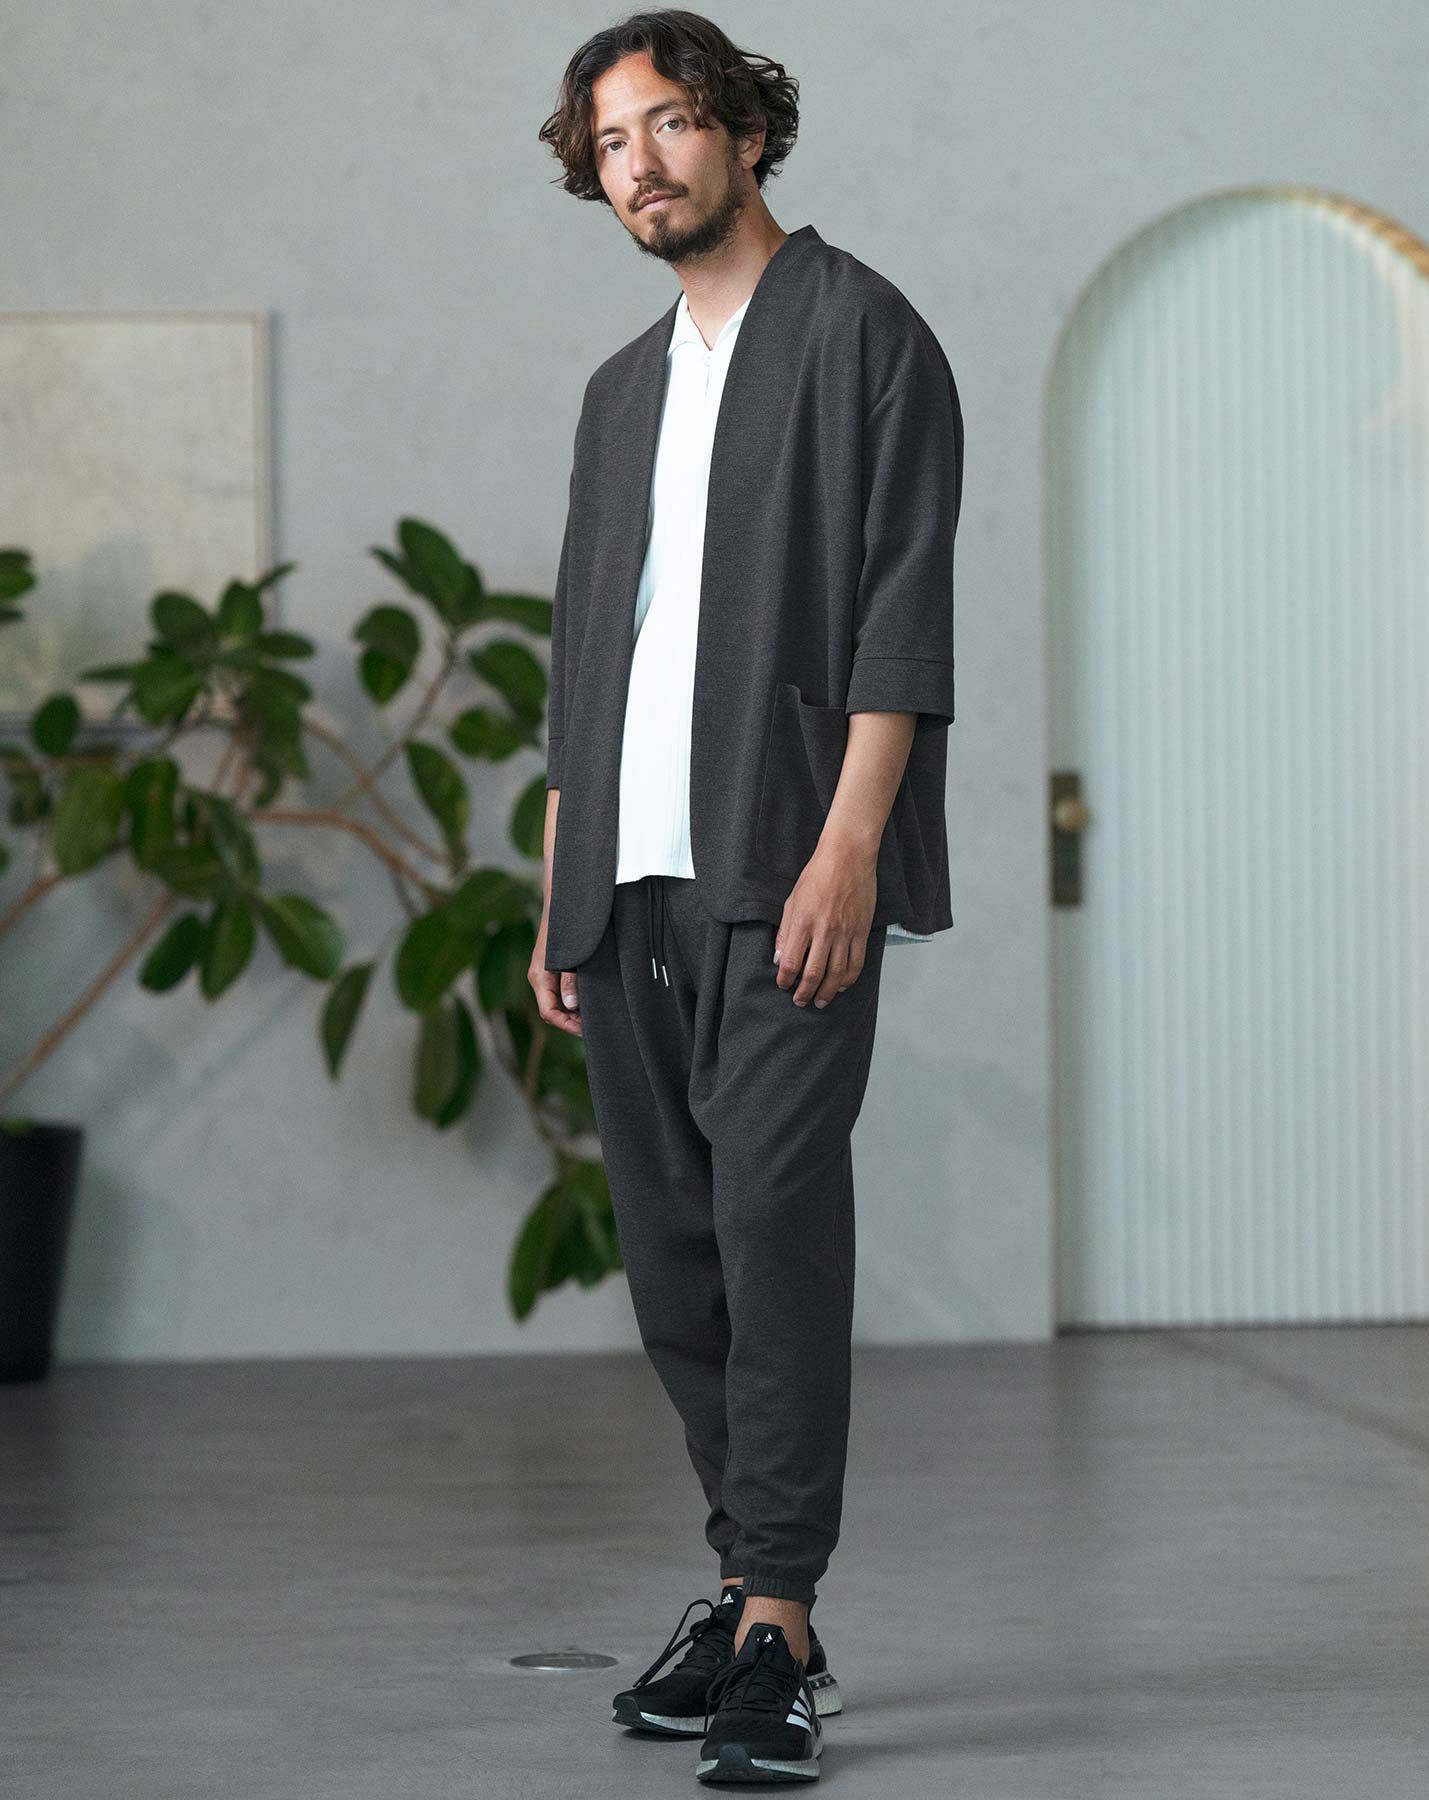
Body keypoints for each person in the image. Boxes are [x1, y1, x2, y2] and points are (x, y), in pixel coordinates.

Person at [533, 9, 963, 1784]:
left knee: (774, 1229)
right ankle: (747, 1587)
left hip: (783, 863)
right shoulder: (619, 390)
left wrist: (851, 846)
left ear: (745, 132)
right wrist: (560, 876)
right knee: (674, 1259)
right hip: (623, 885)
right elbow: (588, 650)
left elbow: (901, 615)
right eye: (609, 142)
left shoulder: (864, 334)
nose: (639, 162)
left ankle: (777, 1622)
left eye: (667, 123)